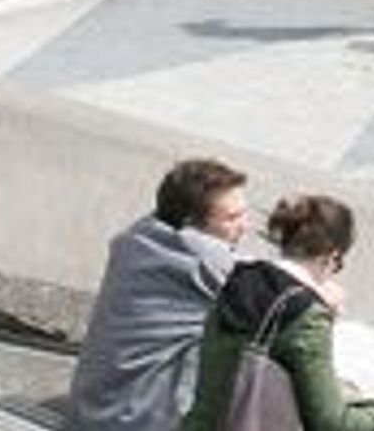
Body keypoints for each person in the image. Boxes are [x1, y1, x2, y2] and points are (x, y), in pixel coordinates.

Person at [179, 195, 374, 431]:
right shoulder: (305, 319)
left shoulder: (240, 279)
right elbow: (332, 424)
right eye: (338, 265)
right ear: (330, 257)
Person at [68, 158, 250, 431]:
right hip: (139, 421)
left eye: (244, 214)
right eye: (231, 218)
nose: (244, 226)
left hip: (90, 410)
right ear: (192, 223)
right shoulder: (201, 259)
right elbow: (279, 298)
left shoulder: (138, 237)